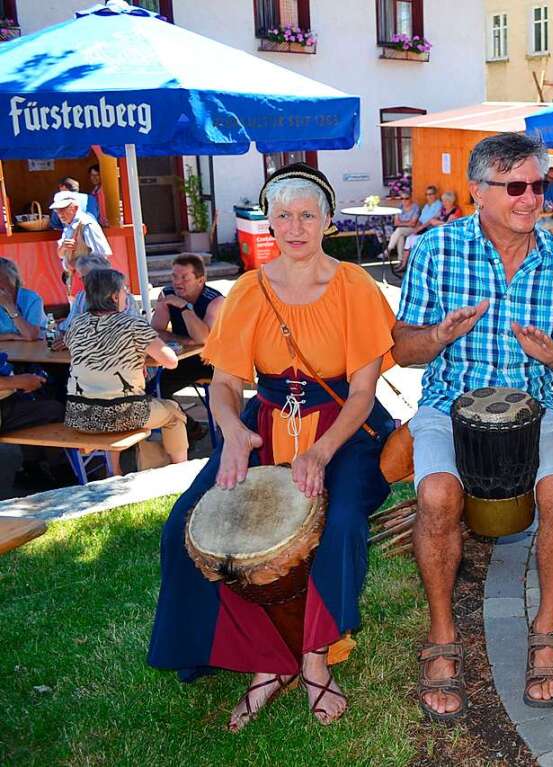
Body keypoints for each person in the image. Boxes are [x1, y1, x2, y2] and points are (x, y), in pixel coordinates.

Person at [148, 162, 397, 731]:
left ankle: (313, 658)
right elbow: (227, 384)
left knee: (340, 524)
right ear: (269, 223)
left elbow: (362, 392)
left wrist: (320, 452)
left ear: (328, 221)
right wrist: (234, 431)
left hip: (344, 428)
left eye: (307, 214)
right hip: (265, 422)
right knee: (188, 524)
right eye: (283, 215)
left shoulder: (355, 286)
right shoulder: (249, 290)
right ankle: (265, 661)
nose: (295, 226)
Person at [393, 132, 553, 722]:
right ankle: (443, 636)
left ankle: (547, 627)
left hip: (533, 407)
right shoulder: (436, 250)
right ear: (478, 191)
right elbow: (403, 351)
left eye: (538, 184)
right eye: (515, 186)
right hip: (448, 404)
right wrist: (440, 336)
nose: (531, 198)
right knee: (436, 493)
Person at [64, 268, 188, 465]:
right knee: (173, 412)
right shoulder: (132, 324)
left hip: (79, 416)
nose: (126, 295)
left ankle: (117, 470)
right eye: (124, 290)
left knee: (121, 406)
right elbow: (170, 361)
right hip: (125, 414)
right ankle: (181, 471)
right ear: (114, 296)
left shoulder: (77, 324)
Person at [150, 254, 225, 400]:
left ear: (201, 280)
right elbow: (154, 331)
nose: (177, 282)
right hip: (185, 358)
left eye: (184, 277)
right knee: (154, 392)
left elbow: (203, 338)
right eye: (174, 276)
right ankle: (187, 423)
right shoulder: (167, 294)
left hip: (214, 362)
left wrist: (184, 307)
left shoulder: (215, 300)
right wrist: (184, 340)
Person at [50, 190, 112, 283]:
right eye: (57, 210)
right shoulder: (68, 225)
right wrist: (63, 247)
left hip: (93, 280)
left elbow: (101, 256)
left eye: (63, 209)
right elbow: (61, 254)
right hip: (79, 280)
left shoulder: (87, 225)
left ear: (75, 208)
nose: (59, 214)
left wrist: (77, 264)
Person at [401, 191, 462, 271]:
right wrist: (420, 228)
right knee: (411, 238)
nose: (443, 203)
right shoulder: (443, 210)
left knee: (417, 241)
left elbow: (448, 225)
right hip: (435, 232)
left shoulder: (455, 211)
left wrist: (436, 222)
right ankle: (404, 264)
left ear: (449, 201)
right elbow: (431, 220)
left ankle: (410, 266)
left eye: (444, 201)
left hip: (445, 236)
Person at [0, 258, 45, 341]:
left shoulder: (32, 299)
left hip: (35, 350)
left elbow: (31, 335)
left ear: (11, 278)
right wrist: (11, 336)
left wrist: (9, 306)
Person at [385, 192, 421, 261]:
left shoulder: (415, 208)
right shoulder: (400, 207)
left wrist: (401, 223)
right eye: (402, 198)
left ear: (410, 199)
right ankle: (400, 260)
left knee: (399, 230)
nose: (404, 200)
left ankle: (388, 249)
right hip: (402, 230)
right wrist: (407, 222)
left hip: (413, 229)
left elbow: (413, 224)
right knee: (400, 236)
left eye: (406, 198)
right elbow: (396, 223)